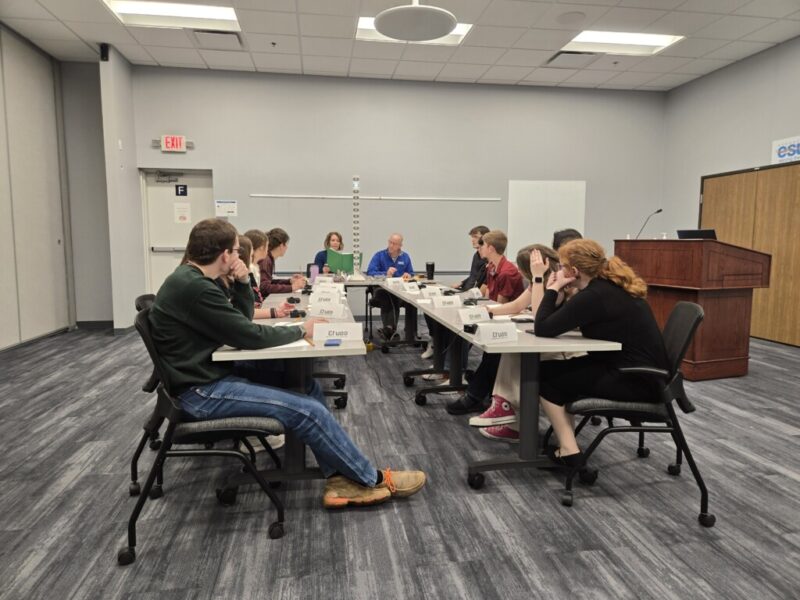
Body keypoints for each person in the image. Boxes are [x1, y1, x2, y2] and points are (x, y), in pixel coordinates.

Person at [150, 218, 426, 508]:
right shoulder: (196, 287)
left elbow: (240, 320)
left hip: (204, 377)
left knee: (306, 387)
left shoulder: (191, 280)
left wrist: (244, 282)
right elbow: (249, 335)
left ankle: (339, 479)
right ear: (224, 255)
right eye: (235, 249)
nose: (239, 255)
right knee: (307, 411)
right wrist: (300, 330)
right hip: (201, 391)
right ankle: (371, 479)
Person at [534, 239, 669, 467]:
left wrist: (552, 288)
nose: (561, 271)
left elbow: (543, 328)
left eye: (564, 267)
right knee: (550, 370)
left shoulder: (594, 296)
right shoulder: (607, 287)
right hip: (644, 375)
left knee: (545, 377)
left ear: (574, 271)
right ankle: (567, 445)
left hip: (635, 381)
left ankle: (568, 451)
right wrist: (559, 296)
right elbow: (555, 322)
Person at [469, 245, 583, 442]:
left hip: (567, 349)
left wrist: (539, 278)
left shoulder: (557, 282)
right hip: (552, 342)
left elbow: (539, 316)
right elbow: (517, 305)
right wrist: (486, 310)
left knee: (515, 352)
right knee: (512, 349)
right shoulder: (538, 282)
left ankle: (507, 410)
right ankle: (508, 413)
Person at [446, 230, 524, 415]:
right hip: (499, 315)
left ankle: (475, 395)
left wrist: (483, 311)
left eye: (482, 245)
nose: (479, 248)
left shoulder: (507, 272)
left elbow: (501, 305)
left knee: (492, 353)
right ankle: (481, 392)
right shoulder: (491, 267)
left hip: (511, 322)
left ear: (490, 247)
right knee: (487, 352)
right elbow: (489, 297)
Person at [422, 225, 489, 362]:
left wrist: (463, 296)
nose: (472, 240)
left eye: (475, 237)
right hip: (465, 290)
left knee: (448, 319)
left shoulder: (488, 261)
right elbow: (474, 277)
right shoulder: (477, 256)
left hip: (471, 297)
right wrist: (461, 282)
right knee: (430, 306)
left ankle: (447, 365)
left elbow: (482, 288)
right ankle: (435, 342)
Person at [366, 233, 415, 338]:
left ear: (400, 245)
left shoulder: (405, 257)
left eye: (395, 243)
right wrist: (385, 274)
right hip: (381, 290)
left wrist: (408, 275)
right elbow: (370, 272)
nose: (391, 245)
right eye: (390, 242)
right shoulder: (379, 255)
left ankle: (393, 329)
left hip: (400, 291)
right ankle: (390, 328)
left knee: (400, 296)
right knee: (388, 295)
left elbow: (411, 273)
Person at [258, 227, 306, 298]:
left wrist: (289, 281)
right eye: (286, 244)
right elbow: (264, 287)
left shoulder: (268, 258)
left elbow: (269, 282)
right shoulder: (266, 260)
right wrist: (292, 287)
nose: (287, 247)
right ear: (281, 245)